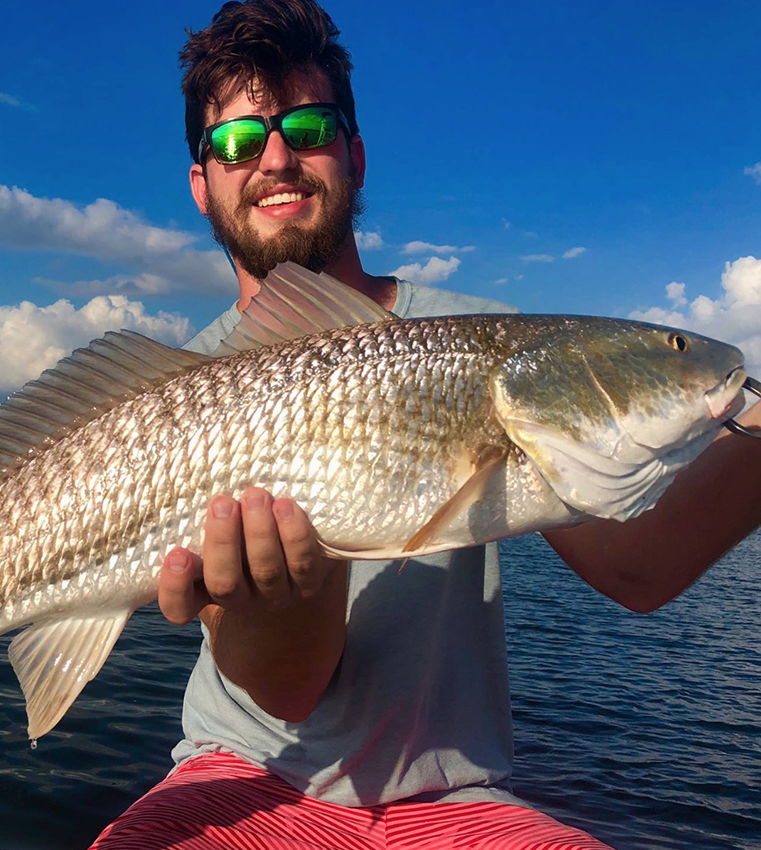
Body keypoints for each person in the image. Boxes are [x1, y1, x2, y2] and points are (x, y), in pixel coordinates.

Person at [89, 1, 761, 848]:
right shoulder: (173, 397)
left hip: (457, 797)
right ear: (201, 183)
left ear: (356, 153)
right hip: (239, 772)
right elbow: (287, 692)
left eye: (309, 124)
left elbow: (640, 568)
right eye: (235, 142)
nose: (276, 157)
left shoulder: (480, 336)